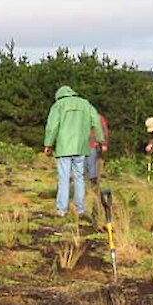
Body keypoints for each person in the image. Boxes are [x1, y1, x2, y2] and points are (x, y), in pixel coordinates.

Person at [43, 86, 103, 217]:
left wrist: (48, 144)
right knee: (79, 178)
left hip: (64, 147)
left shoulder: (58, 105)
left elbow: (52, 126)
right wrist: (100, 139)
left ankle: (61, 209)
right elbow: (97, 122)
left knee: (64, 178)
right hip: (81, 147)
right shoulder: (85, 103)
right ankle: (80, 209)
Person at [87, 113, 109, 185]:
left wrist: (104, 144)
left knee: (92, 164)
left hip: (93, 144)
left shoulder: (98, 117)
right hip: (80, 146)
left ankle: (93, 184)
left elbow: (104, 130)